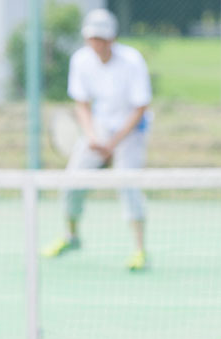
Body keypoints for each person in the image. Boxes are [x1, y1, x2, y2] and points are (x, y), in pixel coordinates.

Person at [43, 8, 153, 270]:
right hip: (98, 130)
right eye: (92, 38)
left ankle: (140, 251)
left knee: (129, 186)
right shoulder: (81, 60)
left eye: (102, 38)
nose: (97, 43)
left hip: (131, 130)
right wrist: (92, 137)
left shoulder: (132, 61)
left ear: (113, 39)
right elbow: (82, 104)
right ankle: (72, 236)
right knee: (71, 182)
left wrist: (113, 144)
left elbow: (140, 108)